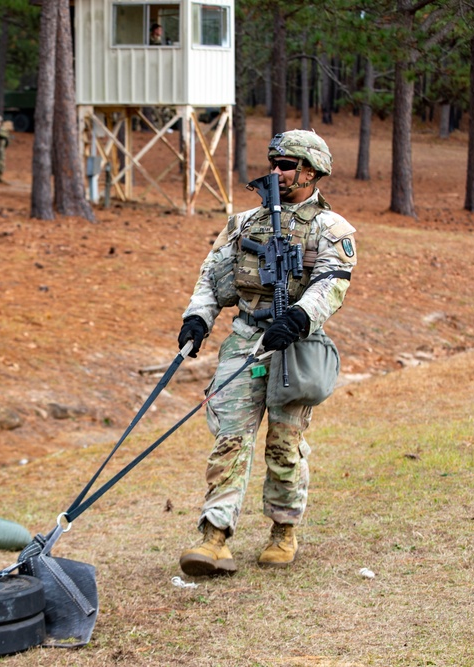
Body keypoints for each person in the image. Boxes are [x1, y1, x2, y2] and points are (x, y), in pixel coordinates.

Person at [176, 129, 357, 576]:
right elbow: (212, 275)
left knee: (284, 442)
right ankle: (214, 536)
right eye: (273, 163)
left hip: (295, 342)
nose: (275, 172)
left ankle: (283, 530)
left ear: (311, 172)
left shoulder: (330, 228)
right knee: (230, 437)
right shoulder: (244, 224)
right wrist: (198, 319)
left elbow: (333, 281)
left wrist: (298, 317)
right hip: (245, 338)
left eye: (286, 165)